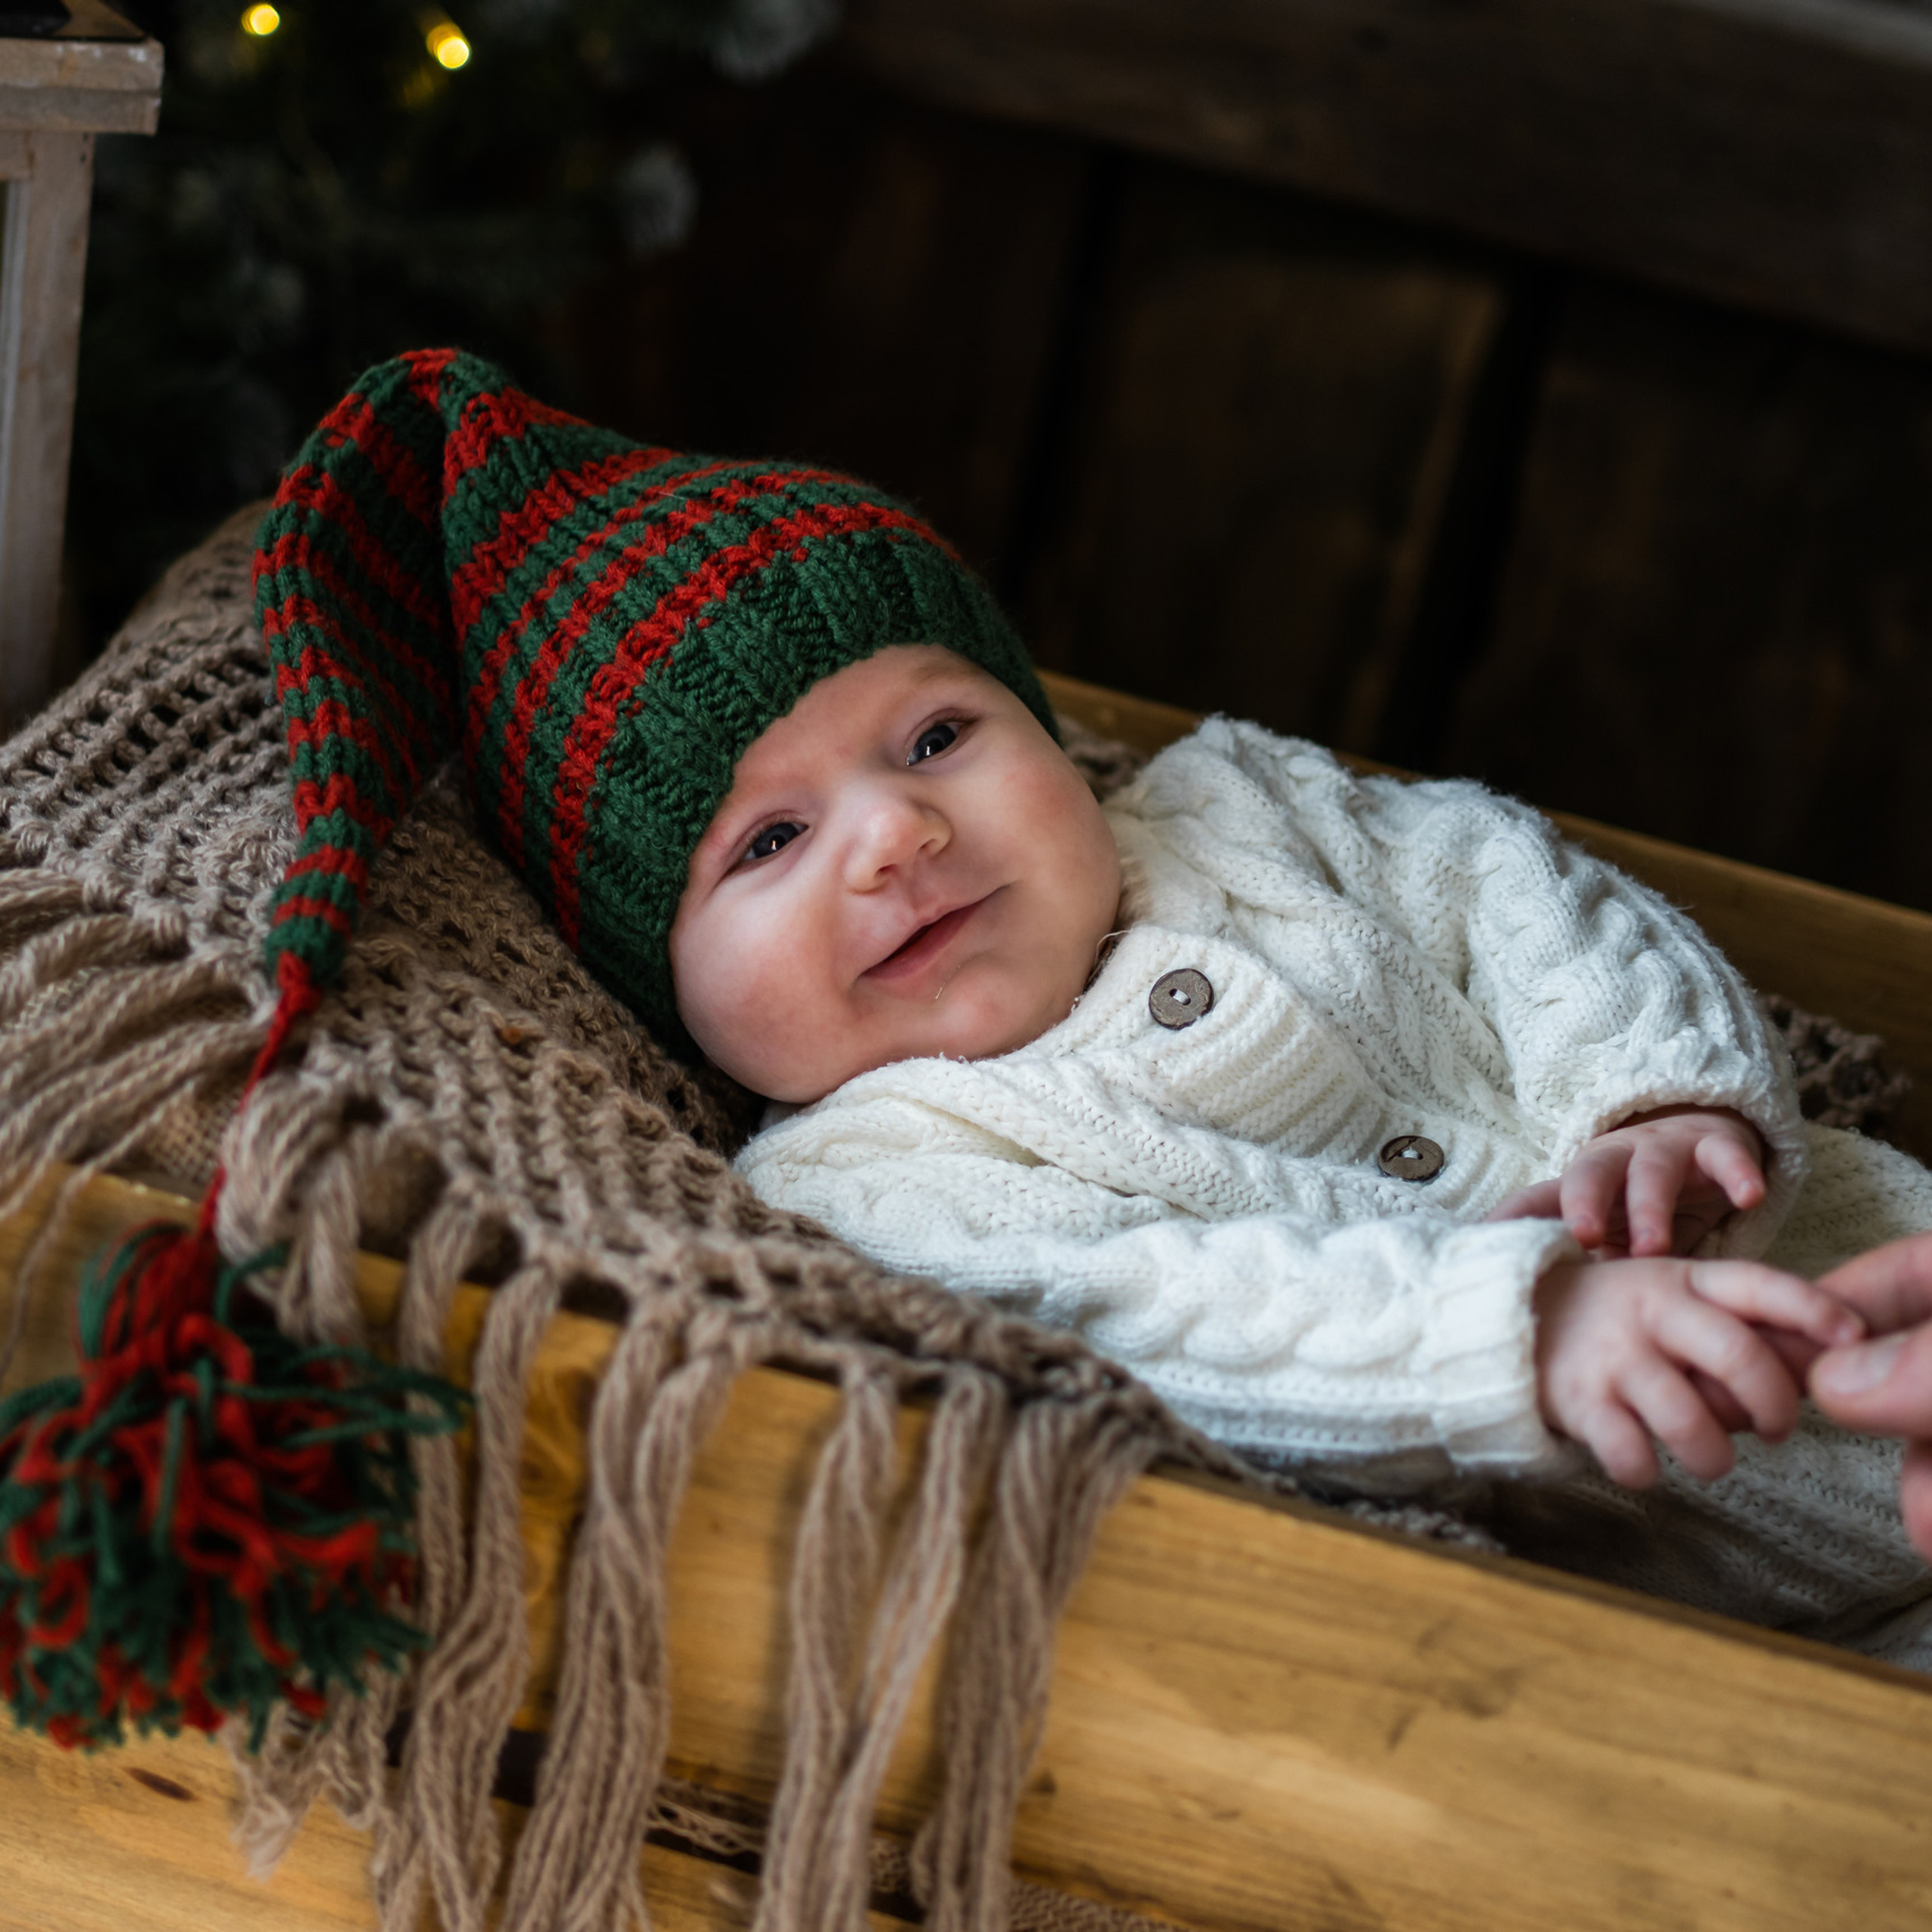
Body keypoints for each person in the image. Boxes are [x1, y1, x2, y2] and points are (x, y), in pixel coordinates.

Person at [261, 349, 1932, 1670]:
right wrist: (1516, 1336)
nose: (895, 833)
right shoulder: (868, 1178)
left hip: (1867, 1260)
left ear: (1046, 728)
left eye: (933, 735)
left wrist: (1650, 1094)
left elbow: (1518, 891)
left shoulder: (1235, 805)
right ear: (665, 986)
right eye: (766, 842)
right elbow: (1141, 1309)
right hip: (1736, 1626)